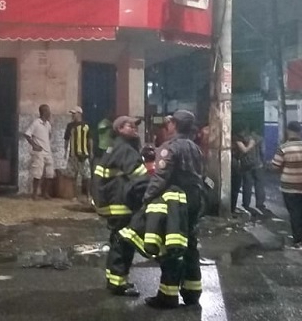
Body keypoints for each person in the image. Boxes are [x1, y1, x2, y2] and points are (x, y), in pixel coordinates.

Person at [141, 109, 204, 310]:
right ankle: (192, 293)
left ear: (174, 125)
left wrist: (147, 198)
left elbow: (161, 177)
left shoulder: (170, 147)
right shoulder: (195, 148)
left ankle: (167, 296)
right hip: (194, 200)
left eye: (169, 123)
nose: (167, 126)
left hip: (175, 202)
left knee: (171, 247)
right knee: (190, 245)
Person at [92, 115, 148, 297]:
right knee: (124, 243)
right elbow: (141, 179)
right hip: (122, 204)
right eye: (129, 126)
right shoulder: (125, 150)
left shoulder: (114, 147)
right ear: (119, 129)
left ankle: (114, 280)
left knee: (117, 240)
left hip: (113, 203)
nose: (134, 129)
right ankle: (118, 284)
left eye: (135, 126)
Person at [270, 121, 302, 250]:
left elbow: (275, 166)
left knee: (294, 213)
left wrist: (284, 170)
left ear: (288, 131)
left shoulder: (284, 148)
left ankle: (297, 242)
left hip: (289, 186)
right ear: (300, 131)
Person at [23, 104, 54, 200]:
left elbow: (49, 135)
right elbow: (27, 134)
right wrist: (34, 145)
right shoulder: (36, 123)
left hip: (47, 151)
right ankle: (35, 194)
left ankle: (45, 193)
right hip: (39, 152)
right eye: (48, 111)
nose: (50, 113)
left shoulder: (48, 124)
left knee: (50, 173)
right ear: (44, 112)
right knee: (37, 173)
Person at [63, 106, 92, 202]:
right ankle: (75, 195)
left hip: (84, 154)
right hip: (73, 155)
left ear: (79, 114)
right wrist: (65, 151)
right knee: (73, 176)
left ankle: (88, 195)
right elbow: (66, 139)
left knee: (86, 176)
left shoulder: (86, 126)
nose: (72, 115)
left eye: (74, 113)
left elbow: (89, 139)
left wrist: (91, 152)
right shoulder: (70, 126)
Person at [238, 127, 266, 216]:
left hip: (246, 165)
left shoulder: (240, 139)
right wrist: (263, 161)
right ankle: (260, 203)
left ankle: (246, 203)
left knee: (247, 184)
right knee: (259, 184)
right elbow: (263, 151)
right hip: (258, 164)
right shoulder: (259, 138)